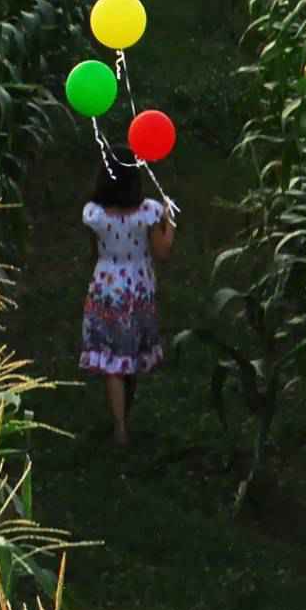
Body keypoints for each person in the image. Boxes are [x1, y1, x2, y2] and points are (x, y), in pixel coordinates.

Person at [78, 150, 174, 447]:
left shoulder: (95, 214)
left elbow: (94, 249)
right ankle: (123, 423)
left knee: (112, 359)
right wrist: (169, 223)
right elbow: (162, 252)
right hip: (137, 290)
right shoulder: (148, 213)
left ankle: (120, 425)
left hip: (106, 287)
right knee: (129, 356)